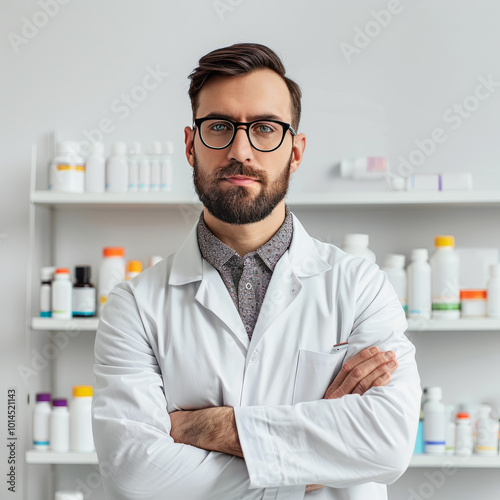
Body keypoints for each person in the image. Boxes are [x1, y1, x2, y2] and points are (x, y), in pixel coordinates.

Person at [92, 43, 421, 500]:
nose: (241, 150)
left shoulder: (359, 286)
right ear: (191, 145)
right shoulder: (134, 306)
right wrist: (316, 454)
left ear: (296, 150)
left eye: (265, 128)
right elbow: (135, 474)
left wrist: (209, 427)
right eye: (220, 127)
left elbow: (386, 445)